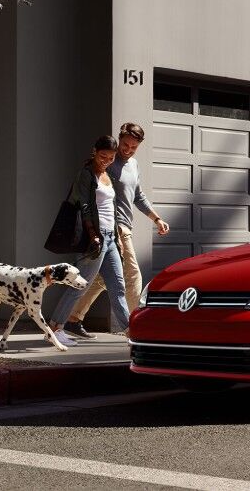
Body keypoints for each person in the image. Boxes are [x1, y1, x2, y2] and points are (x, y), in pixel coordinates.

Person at [62, 123, 170, 339]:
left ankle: (73, 319)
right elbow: (93, 194)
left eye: (133, 147)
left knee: (104, 279)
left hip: (124, 225)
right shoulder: (109, 163)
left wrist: (156, 218)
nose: (127, 150)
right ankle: (136, 325)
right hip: (113, 226)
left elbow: (138, 196)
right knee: (132, 274)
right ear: (119, 139)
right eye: (125, 144)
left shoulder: (133, 165)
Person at [49, 136, 129, 347]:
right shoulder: (86, 174)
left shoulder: (107, 175)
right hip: (95, 238)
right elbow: (84, 206)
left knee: (118, 286)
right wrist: (93, 234)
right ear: (95, 151)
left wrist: (117, 237)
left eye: (111, 158)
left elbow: (110, 209)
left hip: (111, 239)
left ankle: (131, 331)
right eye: (103, 156)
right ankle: (55, 328)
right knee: (80, 285)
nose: (107, 160)